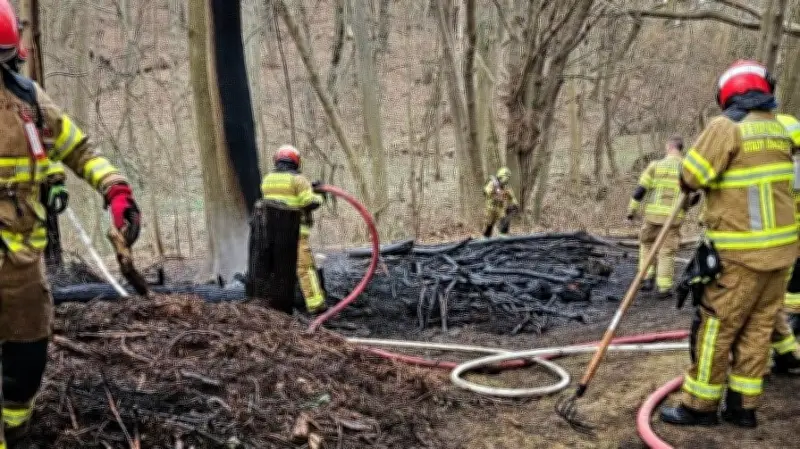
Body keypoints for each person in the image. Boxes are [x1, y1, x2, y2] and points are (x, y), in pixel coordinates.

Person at [0, 1, 141, 444]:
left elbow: (78, 149)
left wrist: (115, 189)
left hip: (22, 265)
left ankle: (17, 429)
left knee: (28, 359)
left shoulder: (27, 101)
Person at [660, 60, 798, 428]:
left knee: (716, 329)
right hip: (781, 255)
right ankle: (742, 408)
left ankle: (699, 407)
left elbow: (692, 176)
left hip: (740, 256)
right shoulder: (779, 129)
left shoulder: (726, 127)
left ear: (728, 93)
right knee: (758, 330)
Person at [260, 144, 327, 315]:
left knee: (278, 268)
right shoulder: (298, 180)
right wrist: (320, 195)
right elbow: (308, 202)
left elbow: (285, 196)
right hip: (296, 233)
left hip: (272, 234)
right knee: (305, 268)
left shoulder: (267, 180)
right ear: (296, 161)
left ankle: (276, 305)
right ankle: (316, 304)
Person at [627, 137, 686, 298]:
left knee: (647, 244)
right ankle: (664, 288)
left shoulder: (655, 166)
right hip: (673, 219)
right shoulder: (686, 168)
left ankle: (647, 278)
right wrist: (685, 208)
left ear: (668, 147)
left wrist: (631, 210)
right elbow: (693, 196)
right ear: (681, 149)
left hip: (652, 217)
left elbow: (640, 190)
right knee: (666, 252)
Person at [482, 167, 518, 238]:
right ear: (500, 176)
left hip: (500, 208)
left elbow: (511, 196)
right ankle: (486, 237)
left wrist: (515, 204)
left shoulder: (506, 187)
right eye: (505, 177)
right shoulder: (492, 183)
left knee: (504, 218)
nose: (506, 180)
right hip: (491, 208)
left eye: (508, 178)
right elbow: (486, 191)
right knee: (489, 224)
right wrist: (494, 192)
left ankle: (503, 233)